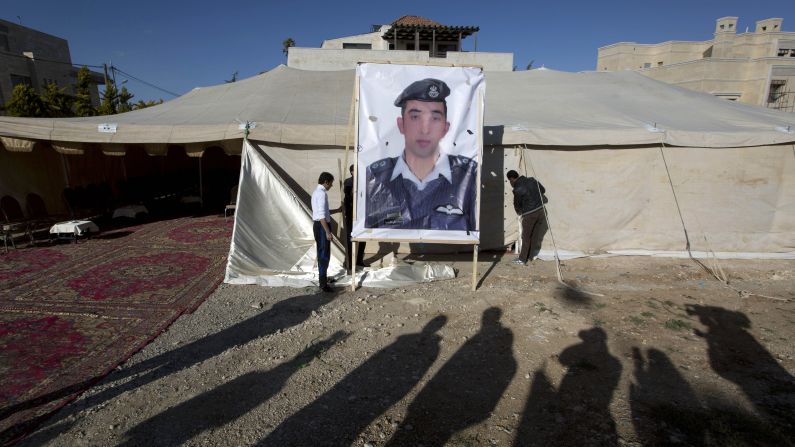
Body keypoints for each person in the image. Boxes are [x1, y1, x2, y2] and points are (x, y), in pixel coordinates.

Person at [365, 78, 478, 231]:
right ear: (401, 125)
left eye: (435, 118)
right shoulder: (378, 176)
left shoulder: (467, 174)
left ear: (446, 127)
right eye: (415, 117)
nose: (425, 129)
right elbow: (373, 224)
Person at [506, 170, 547, 265]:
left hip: (530, 214)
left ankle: (522, 259)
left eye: (510, 181)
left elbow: (517, 205)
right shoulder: (532, 180)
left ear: (511, 179)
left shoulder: (517, 189)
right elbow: (543, 190)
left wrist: (520, 212)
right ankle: (530, 256)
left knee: (526, 236)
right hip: (541, 211)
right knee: (534, 235)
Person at [312, 172, 341, 292]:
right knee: (324, 254)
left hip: (318, 225)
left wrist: (337, 210)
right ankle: (323, 283)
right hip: (322, 226)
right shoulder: (322, 194)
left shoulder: (316, 192)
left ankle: (323, 278)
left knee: (322, 252)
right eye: (331, 183)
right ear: (326, 182)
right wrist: (328, 232)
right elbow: (322, 216)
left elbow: (324, 211)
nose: (331, 186)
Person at [343, 164, 366, 269]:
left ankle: (359, 259)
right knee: (350, 237)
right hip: (351, 213)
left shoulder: (363, 180)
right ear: (352, 171)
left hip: (361, 214)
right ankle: (348, 262)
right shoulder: (348, 182)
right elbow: (349, 195)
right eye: (355, 170)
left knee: (363, 236)